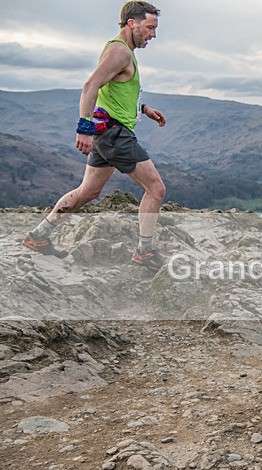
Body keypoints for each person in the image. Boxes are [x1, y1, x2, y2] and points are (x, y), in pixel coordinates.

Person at [23, 1, 167, 272]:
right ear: (132, 23)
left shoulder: (120, 51)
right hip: (113, 134)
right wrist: (84, 127)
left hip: (108, 131)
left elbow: (113, 92)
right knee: (156, 189)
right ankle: (144, 253)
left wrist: (143, 109)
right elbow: (91, 85)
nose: (153, 34)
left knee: (89, 191)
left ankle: (38, 236)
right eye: (150, 27)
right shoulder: (120, 52)